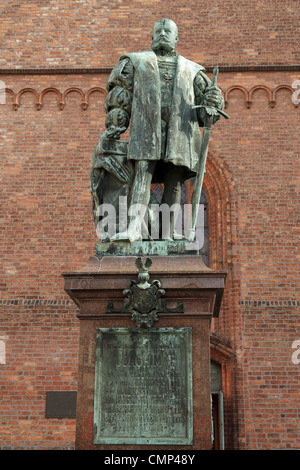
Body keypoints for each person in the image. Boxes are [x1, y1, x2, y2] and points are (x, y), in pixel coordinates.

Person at [98, 18, 224, 241]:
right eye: (159, 30)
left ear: (176, 38)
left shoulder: (192, 70)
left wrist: (214, 101)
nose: (163, 34)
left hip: (180, 131)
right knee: (142, 174)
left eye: (168, 31)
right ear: (152, 36)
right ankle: (135, 226)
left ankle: (168, 231)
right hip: (147, 127)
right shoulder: (136, 62)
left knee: (175, 180)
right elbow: (121, 98)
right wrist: (115, 127)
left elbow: (206, 111)